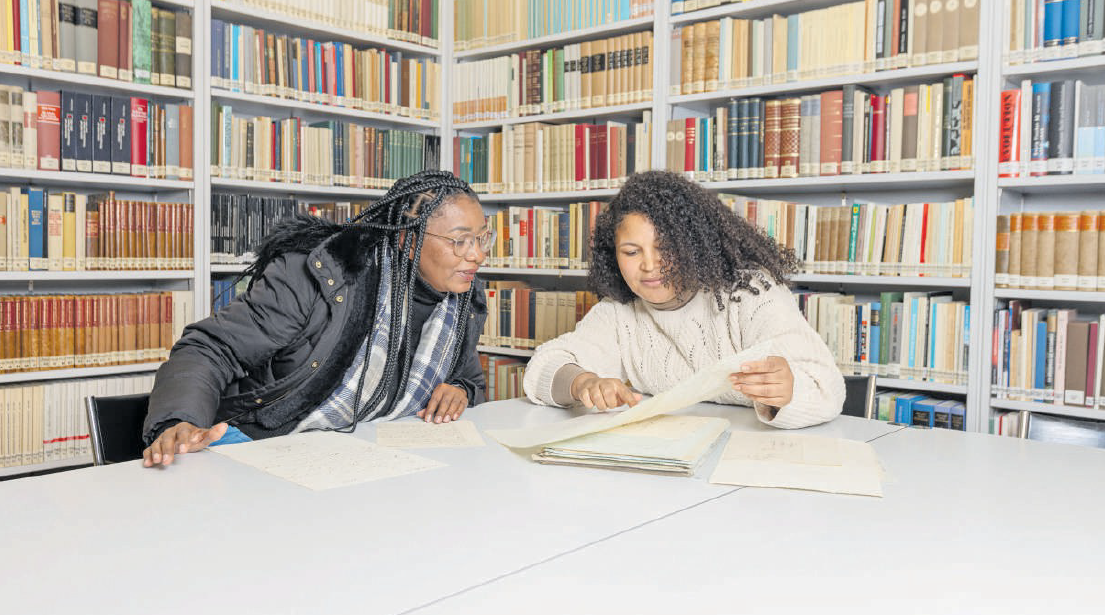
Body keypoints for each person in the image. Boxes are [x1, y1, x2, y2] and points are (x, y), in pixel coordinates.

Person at [142, 170, 493, 467]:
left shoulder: (462, 301)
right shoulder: (323, 276)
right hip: (264, 446)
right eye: (460, 241)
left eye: (482, 238)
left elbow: (467, 377)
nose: (477, 255)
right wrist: (180, 419)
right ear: (407, 240)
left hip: (363, 459)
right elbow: (211, 349)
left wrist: (460, 389)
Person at [522, 170, 844, 428]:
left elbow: (826, 389)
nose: (649, 265)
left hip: (755, 456)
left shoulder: (752, 293)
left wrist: (788, 391)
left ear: (694, 245)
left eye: (665, 249)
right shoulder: (619, 312)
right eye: (631, 252)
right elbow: (543, 368)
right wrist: (582, 382)